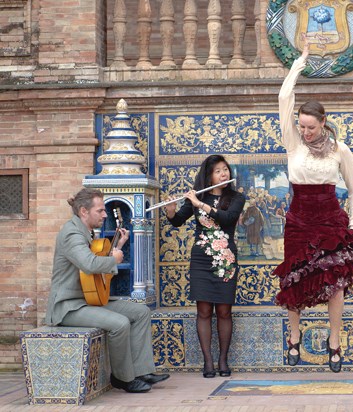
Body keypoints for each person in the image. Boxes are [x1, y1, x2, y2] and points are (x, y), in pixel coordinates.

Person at [274, 38, 353, 373]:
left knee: (335, 283)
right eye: (301, 126)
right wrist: (300, 62)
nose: (306, 131)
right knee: (294, 279)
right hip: (299, 218)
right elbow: (285, 97)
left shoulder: (339, 149)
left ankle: (335, 342)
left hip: (330, 219)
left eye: (311, 127)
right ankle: (294, 336)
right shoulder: (292, 143)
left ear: (323, 122)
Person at [45, 188, 169, 393]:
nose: (105, 214)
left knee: (141, 312)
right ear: (84, 211)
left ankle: (141, 371)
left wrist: (118, 246)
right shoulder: (71, 233)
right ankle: (123, 378)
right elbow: (89, 264)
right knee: (119, 324)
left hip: (88, 300)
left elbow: (95, 276)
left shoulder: (86, 232)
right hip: (69, 306)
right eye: (100, 210)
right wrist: (114, 259)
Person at [164, 155, 245, 378]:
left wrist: (201, 205)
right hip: (201, 259)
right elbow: (178, 220)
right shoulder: (197, 197)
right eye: (218, 171)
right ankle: (208, 362)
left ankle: (223, 360)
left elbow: (227, 219)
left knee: (224, 311)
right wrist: (171, 210)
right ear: (209, 175)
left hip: (226, 258)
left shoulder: (237, 198)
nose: (223, 174)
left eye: (225, 170)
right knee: (204, 311)